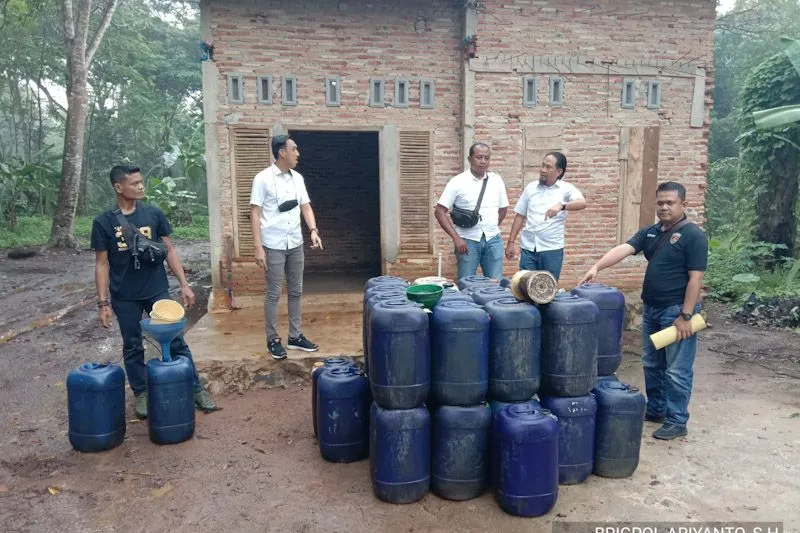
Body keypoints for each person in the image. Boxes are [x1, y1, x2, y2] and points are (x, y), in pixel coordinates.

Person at [579, 181, 708, 440]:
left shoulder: (693, 236)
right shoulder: (651, 232)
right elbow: (624, 249)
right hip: (653, 311)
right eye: (660, 202)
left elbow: (696, 279)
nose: (664, 207)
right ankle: (657, 410)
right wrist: (597, 267)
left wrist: (686, 316)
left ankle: (677, 420)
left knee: (677, 369)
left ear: (684, 204)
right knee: (652, 363)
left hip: (676, 313)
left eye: (670, 202)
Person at [92, 165, 217, 419]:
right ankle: (141, 393)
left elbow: (169, 251)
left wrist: (183, 284)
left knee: (176, 339)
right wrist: (103, 303)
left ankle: (195, 388)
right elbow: (101, 264)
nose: (140, 186)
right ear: (118, 187)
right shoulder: (103, 222)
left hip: (156, 289)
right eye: (134, 183)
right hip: (123, 295)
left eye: (141, 182)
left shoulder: (154, 214)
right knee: (132, 345)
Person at [250, 134, 323, 360]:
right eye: (294, 149)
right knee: (273, 293)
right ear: (282, 152)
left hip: (295, 242)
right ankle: (273, 339)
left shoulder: (297, 178)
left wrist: (313, 230)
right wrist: (257, 246)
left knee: (296, 290)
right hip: (272, 244)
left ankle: (295, 336)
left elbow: (306, 207)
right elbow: (255, 212)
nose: (297, 153)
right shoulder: (262, 179)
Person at [505, 152, 586, 281]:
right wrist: (511, 242)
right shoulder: (531, 188)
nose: (543, 170)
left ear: (559, 171)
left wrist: (562, 206)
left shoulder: (566, 189)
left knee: (547, 290)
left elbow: (582, 203)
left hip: (551, 250)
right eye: (542, 165)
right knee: (525, 287)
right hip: (528, 249)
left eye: (548, 167)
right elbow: (520, 215)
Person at [434, 142, 509, 281]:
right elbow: (439, 211)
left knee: (495, 283)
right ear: (470, 159)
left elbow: (503, 209)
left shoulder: (496, 180)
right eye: (479, 157)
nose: (483, 161)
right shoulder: (458, 182)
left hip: (493, 239)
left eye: (487, 158)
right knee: (466, 283)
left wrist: (491, 226)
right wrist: (456, 238)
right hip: (467, 241)